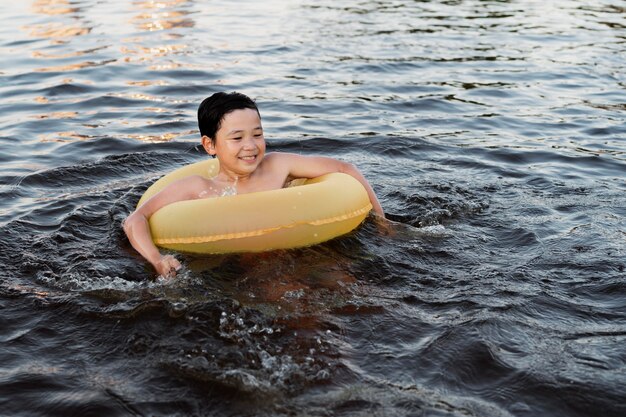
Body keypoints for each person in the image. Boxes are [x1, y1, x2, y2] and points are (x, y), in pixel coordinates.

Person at [124, 92, 385, 278]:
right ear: (210, 145)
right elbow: (136, 219)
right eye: (237, 138)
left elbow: (345, 169)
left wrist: (381, 220)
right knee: (289, 304)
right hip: (251, 268)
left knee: (348, 289)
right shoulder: (199, 187)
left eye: (257, 134)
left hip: (310, 249)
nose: (250, 146)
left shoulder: (278, 166)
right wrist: (157, 260)